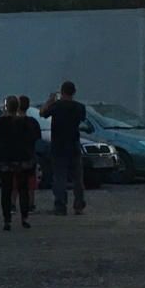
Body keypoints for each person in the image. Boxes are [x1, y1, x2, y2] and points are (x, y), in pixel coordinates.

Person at [40, 81, 87, 216]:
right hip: (74, 144)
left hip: (58, 146)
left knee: (60, 177)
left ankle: (60, 206)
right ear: (74, 92)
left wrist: (50, 100)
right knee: (78, 178)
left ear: (62, 91)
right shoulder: (79, 107)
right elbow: (82, 120)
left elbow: (42, 113)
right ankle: (79, 206)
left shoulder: (56, 106)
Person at [0, 96, 39, 231]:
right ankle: (24, 217)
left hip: (6, 159)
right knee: (23, 189)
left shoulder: (0, 122)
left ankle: (7, 219)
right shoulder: (27, 122)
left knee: (6, 190)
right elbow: (34, 138)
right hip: (23, 159)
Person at [15, 95, 41, 213]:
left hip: (15, 155)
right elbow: (37, 138)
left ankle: (12, 204)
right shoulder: (33, 122)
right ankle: (30, 205)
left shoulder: (13, 122)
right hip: (29, 154)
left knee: (14, 181)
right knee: (30, 182)